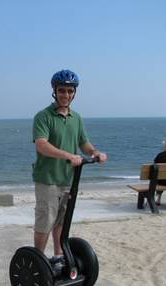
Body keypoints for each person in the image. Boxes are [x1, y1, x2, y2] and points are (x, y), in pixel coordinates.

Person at [32, 69, 107, 266]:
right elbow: (41, 144)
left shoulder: (77, 118)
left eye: (70, 91)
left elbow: (84, 142)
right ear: (54, 91)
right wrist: (68, 155)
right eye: (62, 90)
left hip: (68, 179)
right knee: (45, 222)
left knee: (61, 222)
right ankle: (37, 260)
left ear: (75, 93)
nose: (66, 95)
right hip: (47, 178)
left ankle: (58, 256)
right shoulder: (43, 116)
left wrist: (95, 153)